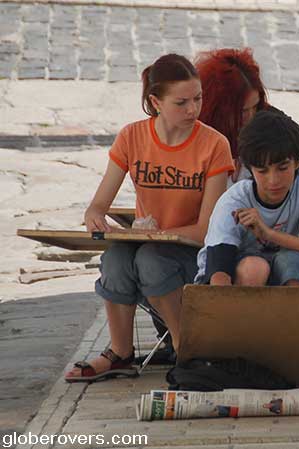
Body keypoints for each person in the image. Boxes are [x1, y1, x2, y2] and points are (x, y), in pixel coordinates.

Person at [65, 54, 234, 382]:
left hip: (191, 254)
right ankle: (120, 352)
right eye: (181, 102)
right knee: (115, 256)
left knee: (151, 258)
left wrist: (158, 235)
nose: (193, 110)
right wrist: (95, 218)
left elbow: (206, 230)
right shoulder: (132, 137)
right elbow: (98, 205)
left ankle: (187, 347)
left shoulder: (214, 144)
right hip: (150, 244)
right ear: (155, 102)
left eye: (198, 99)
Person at [195, 109, 299, 287]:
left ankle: (291, 313)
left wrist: (269, 234)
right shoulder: (234, 200)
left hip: (283, 269)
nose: (273, 180)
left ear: (298, 162)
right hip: (237, 279)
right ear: (250, 170)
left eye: (283, 168)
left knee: (294, 263)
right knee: (254, 268)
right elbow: (218, 277)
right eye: (262, 171)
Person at [195, 48, 276, 183]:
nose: (251, 117)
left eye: (255, 107)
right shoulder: (197, 145)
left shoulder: (268, 125)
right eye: (242, 111)